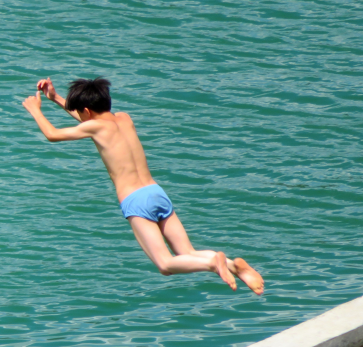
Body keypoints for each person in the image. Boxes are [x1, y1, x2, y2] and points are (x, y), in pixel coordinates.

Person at [22, 77, 264, 295]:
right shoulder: (124, 119)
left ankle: (213, 263)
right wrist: (55, 99)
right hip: (156, 193)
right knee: (187, 253)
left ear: (86, 111)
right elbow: (88, 120)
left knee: (165, 265)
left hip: (135, 200)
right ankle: (233, 265)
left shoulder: (94, 127)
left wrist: (36, 110)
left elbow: (53, 134)